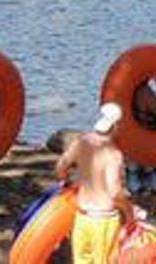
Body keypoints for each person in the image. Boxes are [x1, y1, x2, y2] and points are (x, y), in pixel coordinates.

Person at [56, 102, 136, 264]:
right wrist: (129, 213)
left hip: (82, 217)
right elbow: (114, 193)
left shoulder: (81, 142)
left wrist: (66, 181)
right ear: (115, 126)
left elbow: (61, 165)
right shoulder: (113, 154)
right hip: (104, 221)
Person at [125, 81, 156, 212]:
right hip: (147, 142)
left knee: (135, 183)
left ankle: (135, 217)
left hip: (132, 142)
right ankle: (153, 215)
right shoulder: (144, 91)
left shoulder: (128, 89)